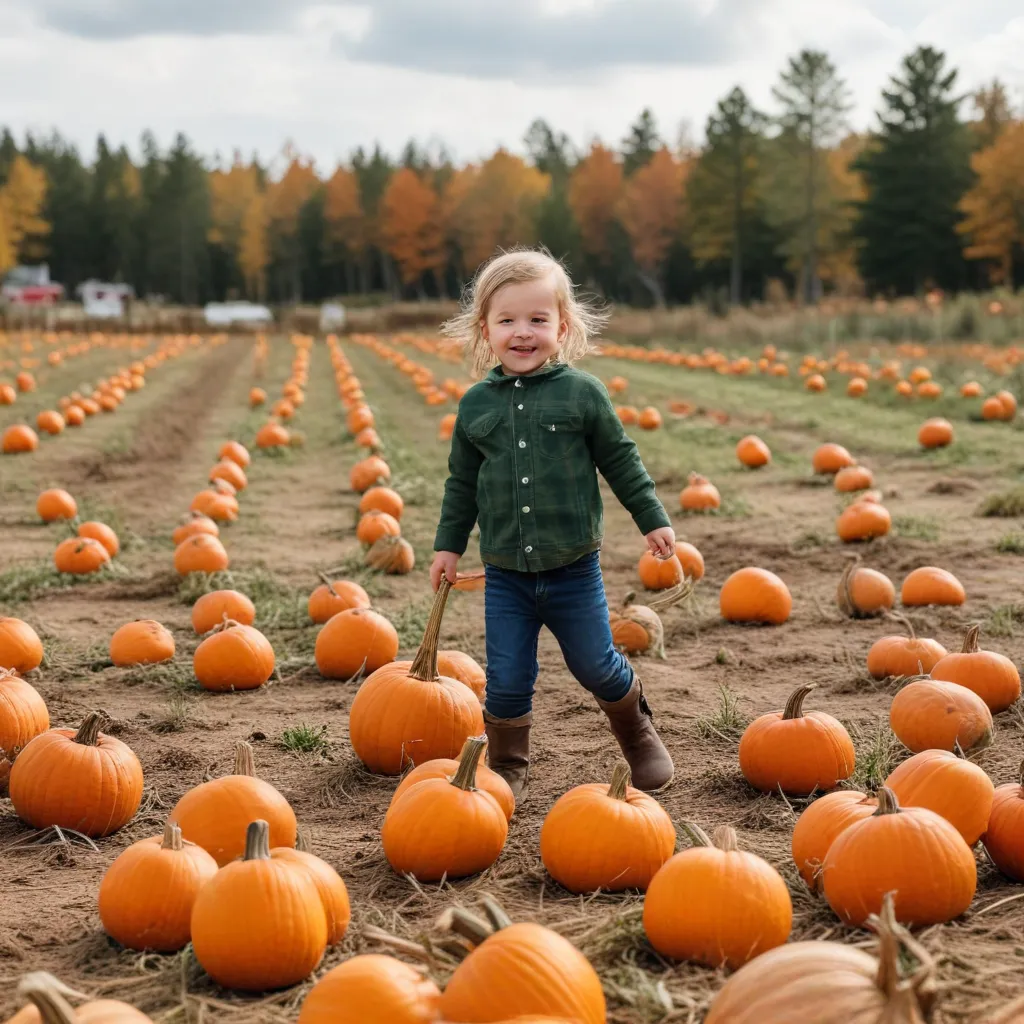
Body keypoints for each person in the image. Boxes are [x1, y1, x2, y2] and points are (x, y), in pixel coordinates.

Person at [430, 249, 676, 802]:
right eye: (508, 321)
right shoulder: (474, 407)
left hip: (573, 570)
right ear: (485, 330)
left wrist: (651, 518)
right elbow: (460, 486)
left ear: (562, 327)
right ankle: (509, 760)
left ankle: (637, 734)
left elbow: (621, 460)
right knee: (508, 676)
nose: (523, 333)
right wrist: (447, 548)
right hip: (507, 576)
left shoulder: (583, 394)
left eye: (538, 320)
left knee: (596, 662)